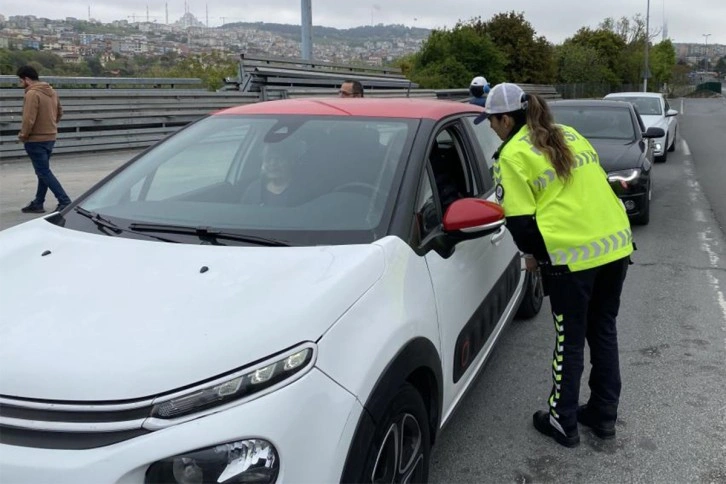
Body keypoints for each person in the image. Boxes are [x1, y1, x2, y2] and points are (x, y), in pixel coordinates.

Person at [473, 83, 633, 448]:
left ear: (504, 118)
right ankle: (603, 415)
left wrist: (535, 257)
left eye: (491, 121)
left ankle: (563, 421)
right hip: (615, 246)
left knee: (569, 340)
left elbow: (521, 222)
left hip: (571, 259)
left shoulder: (512, 154)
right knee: (603, 330)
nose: (491, 128)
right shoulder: (568, 133)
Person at [16, 66, 72, 214]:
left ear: (27, 79)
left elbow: (28, 119)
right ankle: (38, 203)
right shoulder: (51, 91)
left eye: (20, 81)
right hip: (50, 137)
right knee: (43, 172)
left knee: (43, 172)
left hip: (35, 139)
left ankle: (64, 201)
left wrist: (23, 135)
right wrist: (51, 125)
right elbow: (60, 112)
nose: (20, 84)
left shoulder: (32, 94)